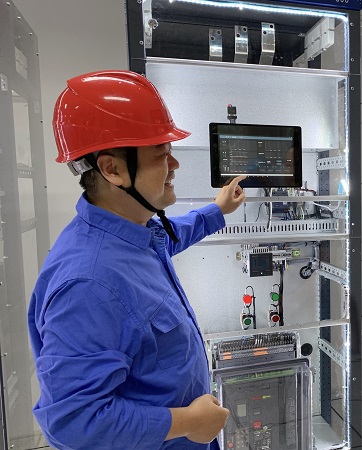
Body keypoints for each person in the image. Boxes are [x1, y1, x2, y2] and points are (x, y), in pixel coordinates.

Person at [28, 70, 246, 449]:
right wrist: (188, 422)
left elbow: (169, 238)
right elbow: (73, 423)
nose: (174, 164)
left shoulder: (129, 232)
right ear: (113, 169)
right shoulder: (89, 284)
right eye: (161, 154)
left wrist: (217, 210)